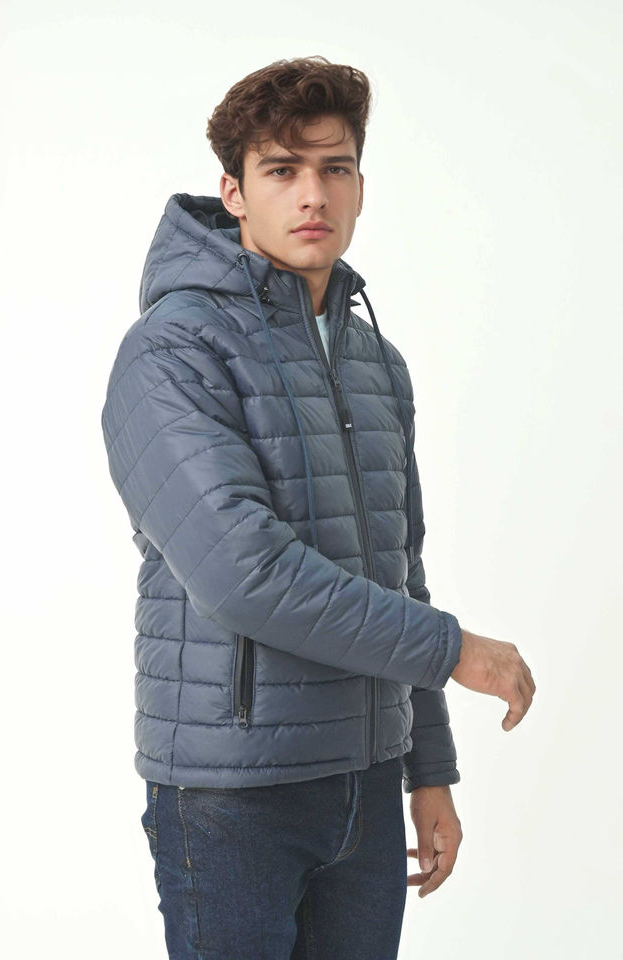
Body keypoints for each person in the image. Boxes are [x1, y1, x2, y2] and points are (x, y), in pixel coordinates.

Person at [101, 55, 535, 960]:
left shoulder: (375, 364)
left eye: (334, 168)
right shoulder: (171, 351)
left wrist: (427, 769)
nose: (312, 194)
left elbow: (399, 572)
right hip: (232, 795)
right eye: (281, 169)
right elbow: (243, 572)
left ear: (360, 187)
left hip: (367, 781)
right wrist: (455, 650)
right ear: (233, 192)